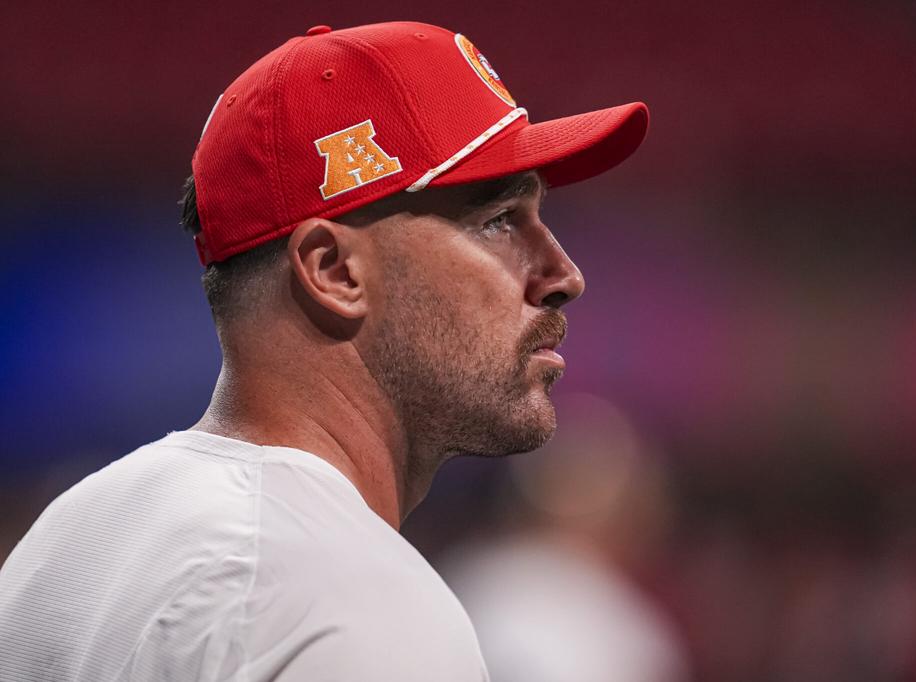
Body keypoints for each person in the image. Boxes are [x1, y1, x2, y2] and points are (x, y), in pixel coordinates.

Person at [0, 21, 648, 681]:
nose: (564, 274)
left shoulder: (68, 540)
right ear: (334, 271)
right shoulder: (342, 598)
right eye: (499, 221)